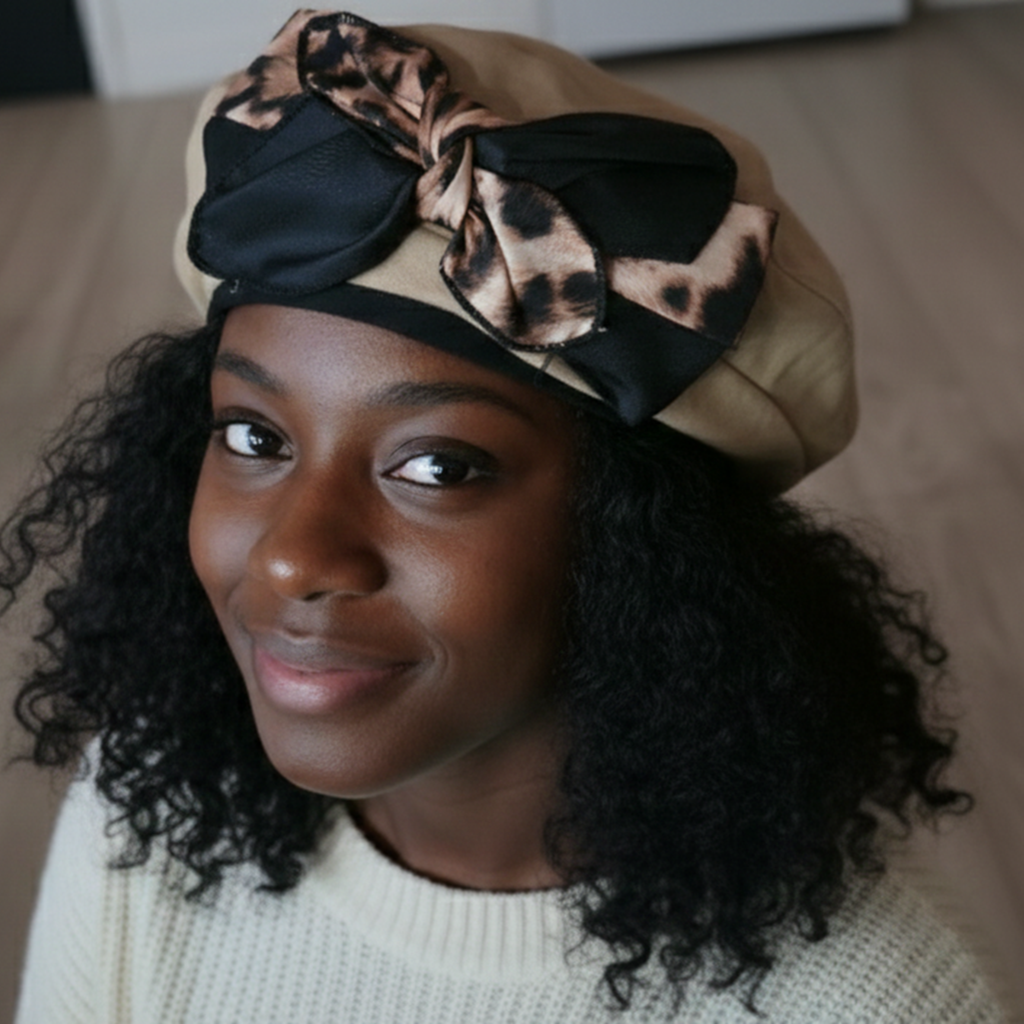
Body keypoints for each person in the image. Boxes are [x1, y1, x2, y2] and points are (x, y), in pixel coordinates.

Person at [4, 10, 1007, 1023]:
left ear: (646, 542)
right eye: (254, 436)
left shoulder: (873, 1002)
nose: (292, 559)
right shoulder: (141, 799)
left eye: (437, 466)